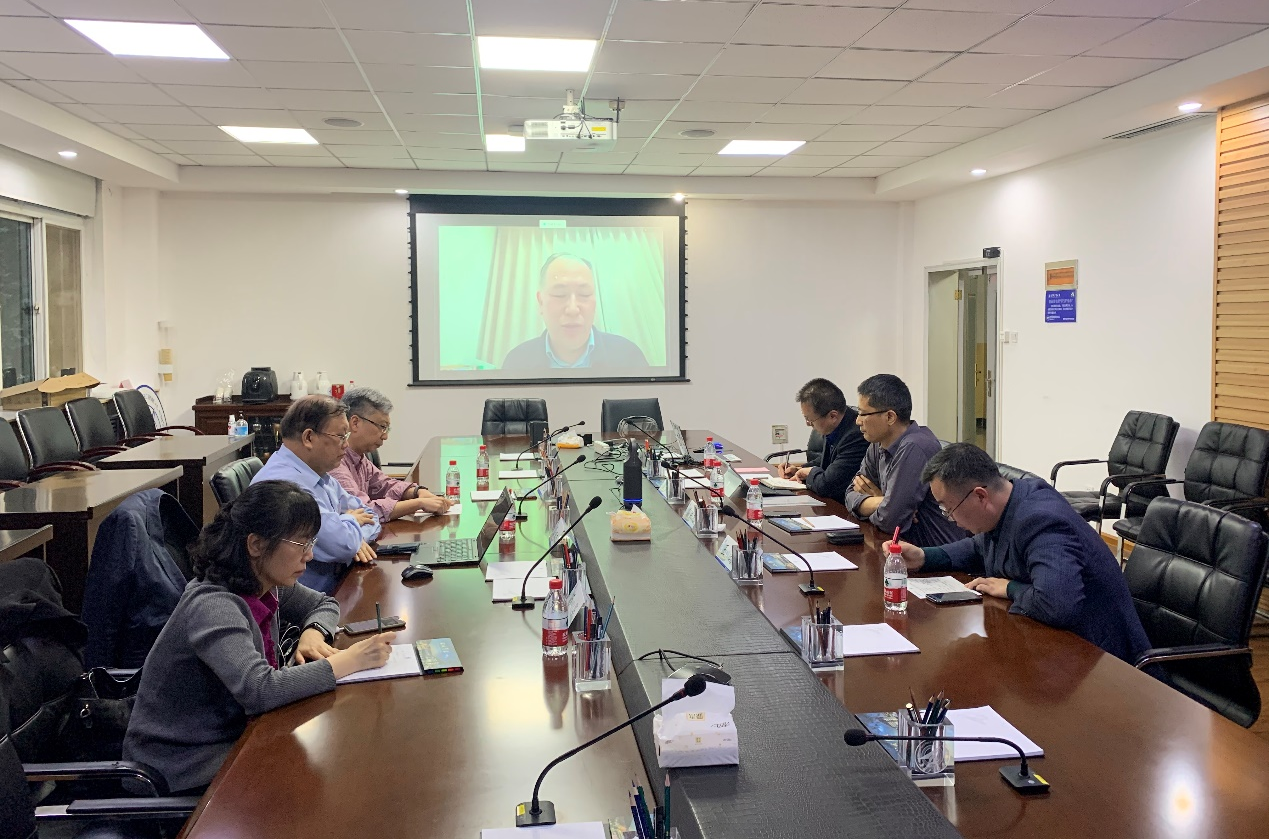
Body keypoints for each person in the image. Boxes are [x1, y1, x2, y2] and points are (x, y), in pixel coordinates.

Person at [123, 481, 396, 794]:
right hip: (184, 764)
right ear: (255, 544)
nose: (309, 556)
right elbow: (260, 689)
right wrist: (349, 661)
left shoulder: (263, 582)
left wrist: (313, 633)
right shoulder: (214, 605)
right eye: (300, 544)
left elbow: (324, 604)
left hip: (238, 735)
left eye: (311, 542)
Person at [885, 442, 1151, 664]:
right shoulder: (1009, 501)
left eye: (948, 508)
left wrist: (1010, 588)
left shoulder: (1042, 520)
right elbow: (979, 546)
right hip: (1057, 647)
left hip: (1104, 663)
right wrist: (924, 557)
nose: (950, 519)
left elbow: (1057, 604)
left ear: (980, 496)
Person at [251, 395, 380, 594]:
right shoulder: (286, 484)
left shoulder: (317, 473)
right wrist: (350, 521)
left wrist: (352, 536)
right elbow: (343, 545)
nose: (346, 445)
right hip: (301, 600)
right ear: (309, 438)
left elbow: (371, 516)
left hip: (335, 586)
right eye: (340, 436)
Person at [843, 374, 967, 547]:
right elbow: (849, 494)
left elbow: (889, 521)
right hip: (900, 545)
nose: (857, 421)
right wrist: (884, 501)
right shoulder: (877, 444)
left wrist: (889, 507)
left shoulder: (916, 446)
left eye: (863, 414)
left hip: (935, 552)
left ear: (890, 417)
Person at [500, 252, 649, 370]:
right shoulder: (516, 362)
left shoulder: (629, 357)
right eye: (560, 294)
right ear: (540, 302)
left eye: (584, 294)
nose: (572, 309)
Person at [331, 386, 450, 522]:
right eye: (382, 427)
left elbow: (385, 485)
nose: (385, 436)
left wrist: (417, 491)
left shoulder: (359, 457)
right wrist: (418, 503)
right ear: (355, 423)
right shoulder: (335, 462)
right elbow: (364, 511)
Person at [777, 378, 868, 501]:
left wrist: (810, 473)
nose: (808, 424)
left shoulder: (857, 435)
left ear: (832, 416)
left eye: (810, 419)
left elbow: (827, 485)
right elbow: (831, 460)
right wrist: (799, 470)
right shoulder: (837, 425)